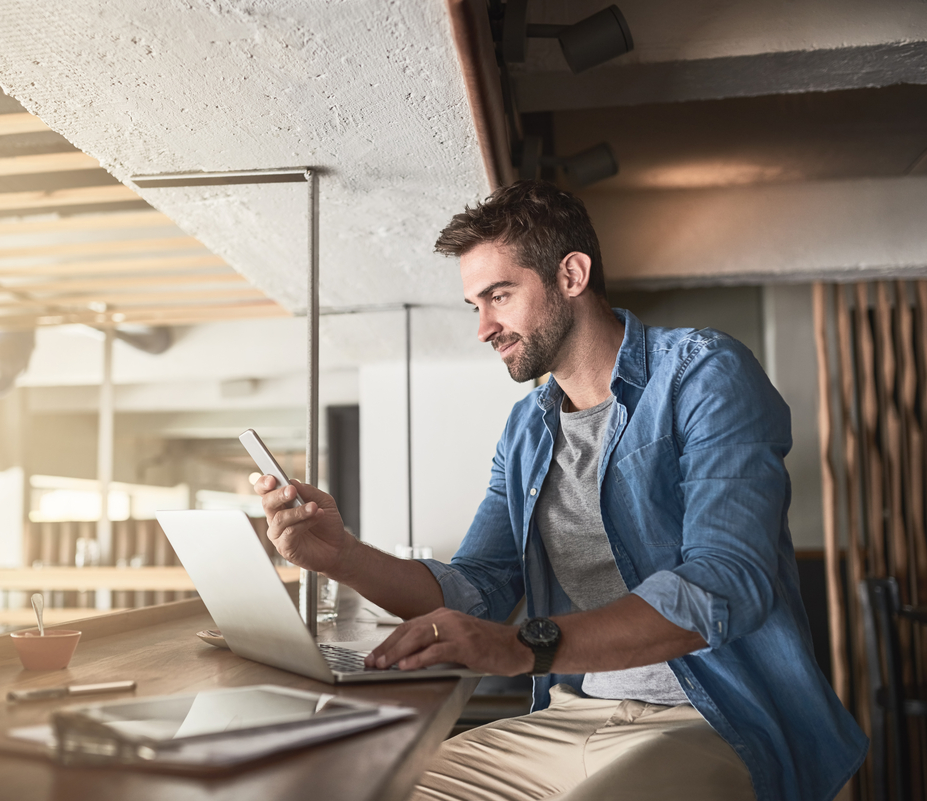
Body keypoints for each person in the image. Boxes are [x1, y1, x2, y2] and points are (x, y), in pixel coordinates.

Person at [256, 180, 866, 801]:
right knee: (366, 789)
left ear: (571, 274)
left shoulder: (704, 373)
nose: (484, 327)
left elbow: (726, 580)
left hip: (713, 719)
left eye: (499, 295)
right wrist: (343, 556)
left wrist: (523, 646)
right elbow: (480, 590)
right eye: (475, 305)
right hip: (571, 713)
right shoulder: (527, 428)